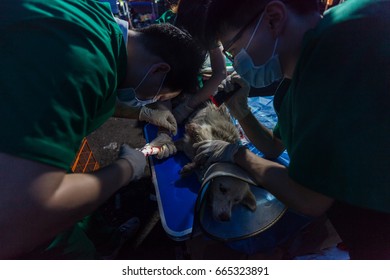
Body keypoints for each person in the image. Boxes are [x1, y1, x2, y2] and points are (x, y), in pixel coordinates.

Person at [0, 0, 205, 259]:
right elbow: (18, 220)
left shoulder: (98, 21)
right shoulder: (87, 62)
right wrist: (127, 168)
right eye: (157, 96)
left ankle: (96, 230)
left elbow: (89, 97)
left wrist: (142, 112)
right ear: (159, 70)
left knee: (71, 197)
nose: (151, 100)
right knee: (73, 250)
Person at [193, 0, 390, 259]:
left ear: (274, 18)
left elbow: (310, 199)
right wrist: (241, 111)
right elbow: (275, 145)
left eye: (234, 50)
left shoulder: (345, 42)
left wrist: (237, 155)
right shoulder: (295, 80)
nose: (236, 62)